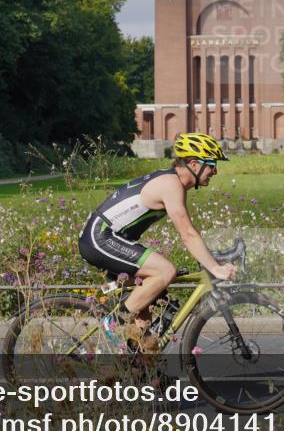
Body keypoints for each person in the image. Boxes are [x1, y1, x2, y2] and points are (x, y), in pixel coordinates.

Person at [78, 132, 236, 351]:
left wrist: (210, 258)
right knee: (165, 271)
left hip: (108, 238)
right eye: (211, 165)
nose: (215, 171)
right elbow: (187, 233)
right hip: (100, 238)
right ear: (193, 163)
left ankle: (140, 360)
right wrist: (215, 268)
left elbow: (189, 233)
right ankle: (113, 323)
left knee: (150, 301)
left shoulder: (172, 182)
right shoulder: (170, 184)